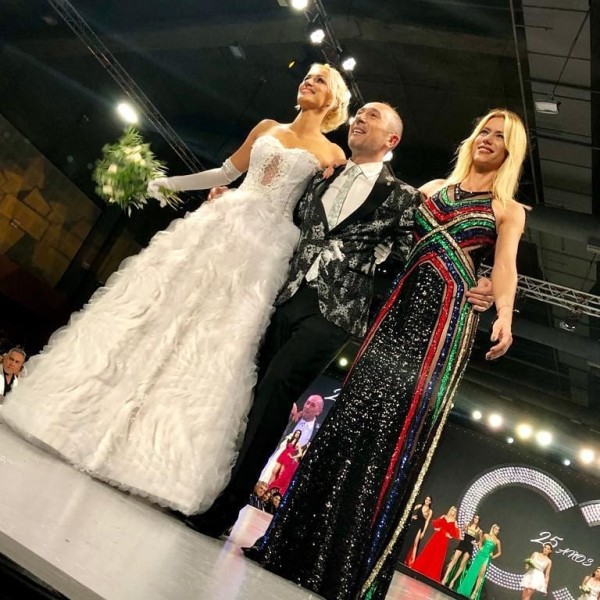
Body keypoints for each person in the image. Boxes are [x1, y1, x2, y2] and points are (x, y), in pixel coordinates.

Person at [1, 63, 350, 515]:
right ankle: (83, 420)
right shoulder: (267, 127)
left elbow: (321, 213)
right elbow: (225, 172)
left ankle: (151, 455)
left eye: (319, 79)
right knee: (157, 313)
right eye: (307, 76)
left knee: (212, 340)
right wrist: (167, 183)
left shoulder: (332, 154)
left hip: (265, 249)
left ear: (332, 99)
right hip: (223, 222)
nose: (308, 81)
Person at [242, 108, 527, 600]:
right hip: (395, 312)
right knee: (349, 418)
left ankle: (342, 568)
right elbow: (379, 224)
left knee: (390, 436)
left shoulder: (507, 209)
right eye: (485, 131)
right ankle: (291, 544)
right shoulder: (432, 189)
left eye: (500, 137)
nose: (488, 139)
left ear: (510, 151)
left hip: (444, 322)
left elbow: (505, 266)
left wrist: (503, 310)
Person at [189, 101, 495, 538]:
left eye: (373, 116)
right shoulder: (321, 175)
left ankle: (225, 508)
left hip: (336, 311)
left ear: (391, 140)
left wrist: (482, 277)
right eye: (359, 113)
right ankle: (206, 485)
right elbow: (278, 211)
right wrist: (229, 198)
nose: (360, 118)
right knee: (248, 391)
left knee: (277, 388)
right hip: (285, 294)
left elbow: (428, 247)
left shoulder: (403, 196)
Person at [412, 506, 460, 581]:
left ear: (455, 513)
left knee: (438, 556)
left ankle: (431, 575)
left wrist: (450, 535)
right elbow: (435, 523)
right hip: (436, 536)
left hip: (444, 540)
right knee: (429, 552)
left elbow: (457, 534)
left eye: (454, 511)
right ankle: (420, 569)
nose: (453, 512)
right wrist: (436, 528)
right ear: (450, 510)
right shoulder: (444, 516)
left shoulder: (454, 521)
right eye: (452, 510)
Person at [456, 524, 501, 599]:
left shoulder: (497, 541)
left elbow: (499, 552)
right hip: (480, 555)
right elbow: (480, 542)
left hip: (487, 557)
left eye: (498, 530)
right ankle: (464, 589)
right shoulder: (486, 535)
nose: (497, 531)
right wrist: (479, 547)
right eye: (496, 529)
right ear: (493, 529)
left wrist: (493, 556)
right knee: (473, 572)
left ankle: (474, 593)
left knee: (481, 574)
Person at [443, 514, 483, 588]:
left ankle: (453, 581)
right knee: (454, 560)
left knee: (462, 564)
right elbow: (460, 530)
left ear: (479, 521)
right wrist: (460, 536)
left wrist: (476, 544)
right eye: (475, 518)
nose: (476, 519)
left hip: (469, 546)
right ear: (473, 518)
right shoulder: (467, 524)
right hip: (463, 543)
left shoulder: (479, 530)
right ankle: (445, 578)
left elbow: (481, 541)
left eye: (477, 519)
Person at [404, 496, 433, 568]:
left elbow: (427, 522)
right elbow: (410, 510)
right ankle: (403, 558)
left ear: (430, 502)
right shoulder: (420, 506)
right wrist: (412, 517)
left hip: (420, 526)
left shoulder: (430, 511)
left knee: (415, 543)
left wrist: (423, 532)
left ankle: (412, 562)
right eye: (426, 499)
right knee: (408, 540)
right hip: (414, 524)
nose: (427, 501)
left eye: (429, 500)